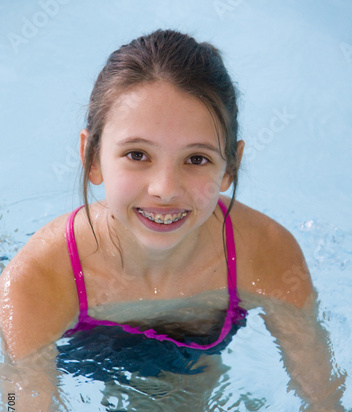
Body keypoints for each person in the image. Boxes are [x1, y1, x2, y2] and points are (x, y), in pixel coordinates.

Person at [0, 29, 313, 362]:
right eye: (137, 155)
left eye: (196, 159)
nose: (165, 189)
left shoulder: (266, 254)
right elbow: (15, 408)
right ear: (92, 158)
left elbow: (324, 405)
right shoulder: (38, 279)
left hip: (195, 359)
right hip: (83, 353)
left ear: (229, 169)